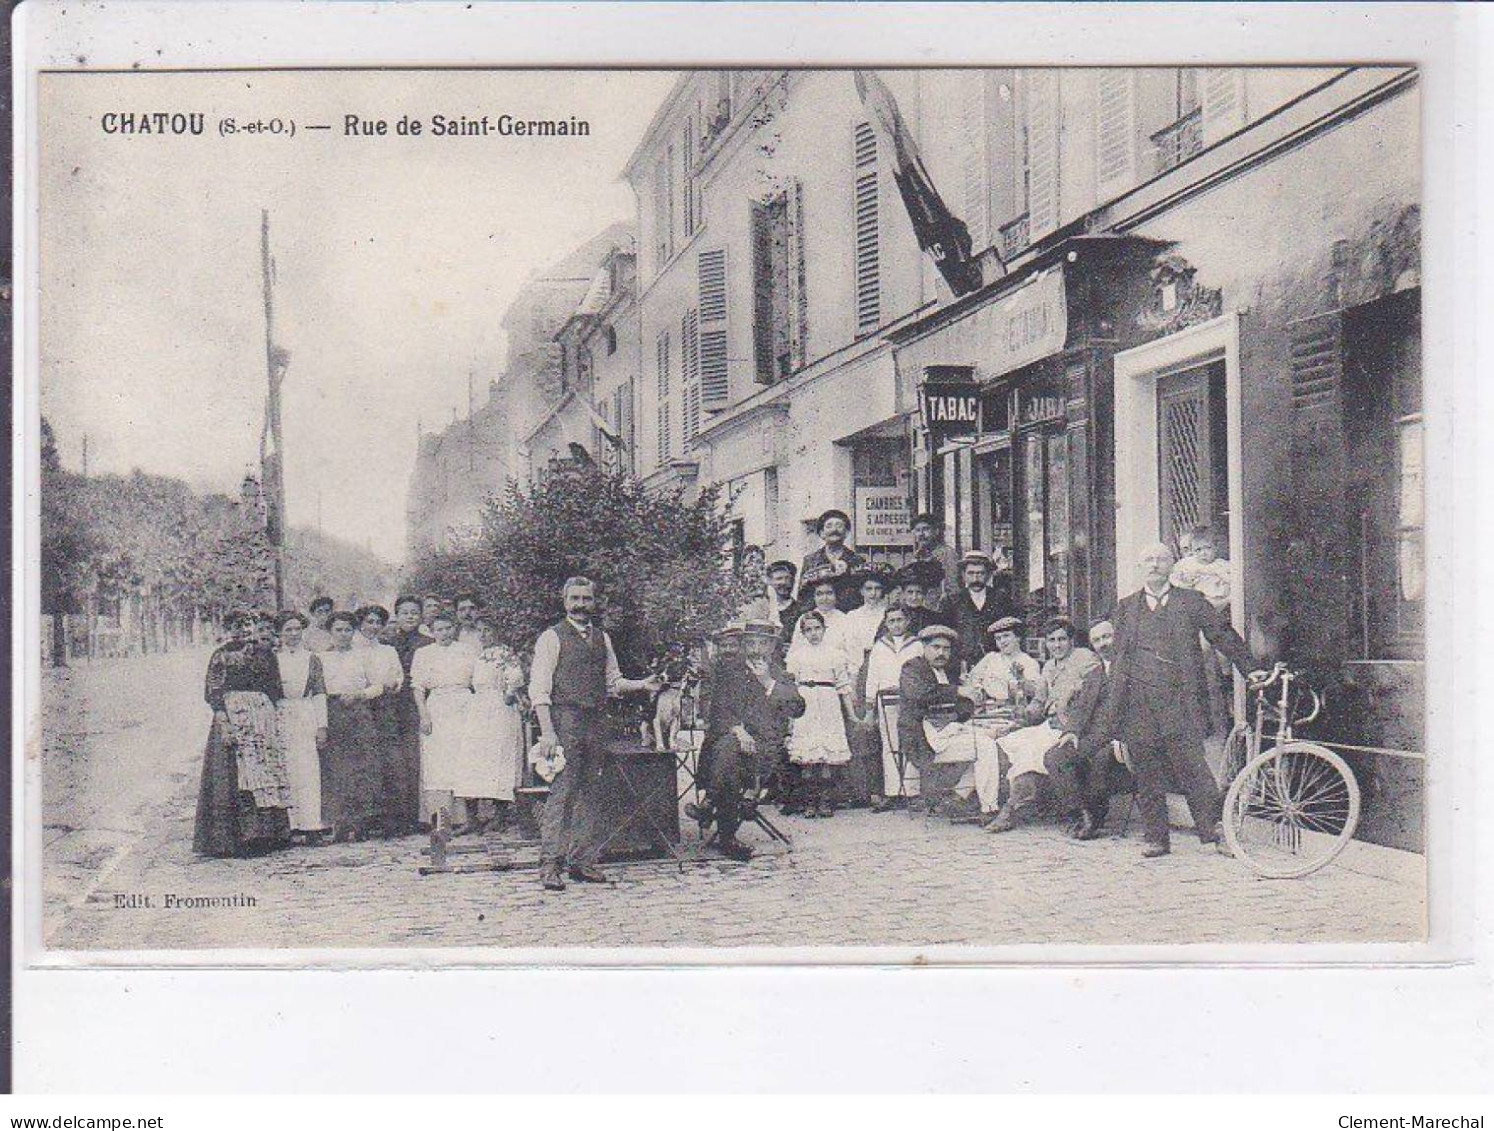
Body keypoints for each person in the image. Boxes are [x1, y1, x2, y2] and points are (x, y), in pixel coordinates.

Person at [1090, 542, 1262, 860]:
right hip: (1138, 704)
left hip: (1179, 701)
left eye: (1160, 559)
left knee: (1193, 769)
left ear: (1172, 565)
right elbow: (1119, 662)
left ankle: (1212, 833)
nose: (1154, 564)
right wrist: (1114, 714)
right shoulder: (1126, 607)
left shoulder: (1191, 601)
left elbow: (1222, 634)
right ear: (1140, 568)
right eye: (1148, 560)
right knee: (1146, 774)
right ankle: (1156, 838)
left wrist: (1250, 669)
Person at [527, 577, 662, 892]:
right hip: (565, 722)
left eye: (586, 598)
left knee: (590, 792)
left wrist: (642, 684)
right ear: (564, 602)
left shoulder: (603, 638)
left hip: (596, 723)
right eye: (574, 598)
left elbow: (613, 681)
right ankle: (550, 865)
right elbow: (539, 689)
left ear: (594, 602)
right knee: (561, 793)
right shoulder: (551, 638)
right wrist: (548, 733)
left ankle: (581, 862)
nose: (580, 604)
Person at [693, 621, 806, 861]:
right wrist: (737, 730)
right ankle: (728, 837)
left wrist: (767, 682)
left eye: (762, 643)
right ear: (744, 645)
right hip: (733, 738)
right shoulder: (730, 673)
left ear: (772, 646)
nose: (756, 649)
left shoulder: (780, 674)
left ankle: (711, 803)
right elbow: (719, 709)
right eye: (751, 643)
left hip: (765, 745)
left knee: (728, 753)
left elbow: (797, 708)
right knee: (729, 749)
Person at [982, 618, 1105, 834]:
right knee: (1003, 742)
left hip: (1070, 728)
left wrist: (1070, 695)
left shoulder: (1085, 658)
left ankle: (1011, 811)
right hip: (1048, 725)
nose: (1056, 645)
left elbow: (1092, 694)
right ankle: (1005, 803)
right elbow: (1039, 702)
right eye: (1051, 641)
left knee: (1031, 754)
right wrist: (1022, 717)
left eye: (1061, 640)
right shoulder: (1049, 666)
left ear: (1071, 641)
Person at [193, 610, 292, 857]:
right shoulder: (221, 655)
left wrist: (274, 719)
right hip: (233, 716)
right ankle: (235, 838)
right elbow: (213, 692)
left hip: (262, 718)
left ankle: (270, 835)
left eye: (248, 624)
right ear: (229, 629)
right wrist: (224, 723)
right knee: (235, 775)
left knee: (264, 771)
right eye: (237, 625)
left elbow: (275, 688)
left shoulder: (266, 653)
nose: (244, 630)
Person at [895, 624, 993, 816]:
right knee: (986, 746)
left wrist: (957, 713)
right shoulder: (912, 668)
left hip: (947, 733)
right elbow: (920, 693)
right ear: (924, 648)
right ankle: (985, 805)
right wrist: (958, 691)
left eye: (946, 648)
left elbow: (965, 705)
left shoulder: (950, 670)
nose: (941, 653)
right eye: (936, 647)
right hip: (921, 738)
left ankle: (962, 796)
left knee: (992, 740)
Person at [454, 613, 528, 830]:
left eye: (487, 630)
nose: (483, 634)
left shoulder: (504, 653)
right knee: (472, 759)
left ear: (497, 632)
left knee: (499, 759)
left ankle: (500, 817)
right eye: (480, 630)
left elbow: (515, 676)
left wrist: (509, 694)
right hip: (478, 710)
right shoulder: (480, 655)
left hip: (499, 710)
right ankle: (473, 818)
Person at [318, 610, 386, 842]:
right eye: (338, 630)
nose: (343, 634)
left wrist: (359, 694)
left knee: (362, 766)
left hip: (358, 712)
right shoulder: (320, 658)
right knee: (336, 767)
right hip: (332, 711)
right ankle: (339, 823)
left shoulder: (363, 656)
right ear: (330, 632)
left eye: (348, 630)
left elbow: (378, 686)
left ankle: (360, 823)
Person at [784, 610, 856, 818]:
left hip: (828, 703)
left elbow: (843, 687)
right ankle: (809, 802)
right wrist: (790, 718)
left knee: (826, 756)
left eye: (817, 628)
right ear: (803, 633)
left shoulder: (835, 654)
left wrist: (851, 715)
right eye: (808, 630)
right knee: (807, 757)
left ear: (824, 629)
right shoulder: (796, 657)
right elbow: (791, 687)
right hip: (805, 703)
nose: (814, 633)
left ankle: (825, 801)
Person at [410, 610, 477, 831]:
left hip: (464, 706)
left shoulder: (467, 650)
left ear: (455, 628)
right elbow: (418, 687)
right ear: (431, 632)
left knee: (463, 759)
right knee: (437, 763)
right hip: (437, 707)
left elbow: (478, 681)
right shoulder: (423, 653)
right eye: (439, 629)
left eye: (448, 628)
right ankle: (441, 819)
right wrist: (424, 715)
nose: (444, 633)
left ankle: (465, 819)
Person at [273, 611, 329, 841]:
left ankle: (310, 824)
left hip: (306, 713)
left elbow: (319, 693)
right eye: (288, 629)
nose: (294, 634)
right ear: (280, 633)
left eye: (297, 629)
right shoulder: (273, 658)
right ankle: (288, 825)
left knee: (308, 768)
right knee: (284, 766)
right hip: (281, 713)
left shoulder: (312, 658)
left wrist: (321, 726)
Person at [862, 604, 923, 810]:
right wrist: (870, 708)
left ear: (907, 621)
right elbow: (873, 677)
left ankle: (913, 793)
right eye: (891, 621)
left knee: (911, 742)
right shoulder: (880, 646)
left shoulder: (917, 645)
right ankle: (892, 791)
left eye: (899, 620)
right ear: (886, 623)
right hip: (885, 699)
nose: (896, 625)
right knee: (890, 745)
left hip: (910, 700)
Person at [380, 594, 432, 835]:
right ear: (396, 616)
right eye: (404, 612)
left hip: (419, 704)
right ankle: (397, 817)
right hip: (392, 706)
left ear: (420, 616)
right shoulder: (387, 643)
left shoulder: (428, 643)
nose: (409, 616)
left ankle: (419, 816)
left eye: (414, 612)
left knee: (416, 760)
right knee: (395, 762)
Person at [356, 605, 408, 837]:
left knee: (391, 761)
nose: (374, 627)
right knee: (367, 761)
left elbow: (398, 676)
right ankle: (367, 819)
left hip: (387, 708)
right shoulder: (353, 650)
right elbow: (356, 683)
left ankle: (392, 820)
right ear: (361, 624)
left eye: (378, 622)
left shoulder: (388, 650)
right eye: (369, 622)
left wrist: (393, 685)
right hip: (363, 708)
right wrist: (376, 688)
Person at [936, 550, 1012, 670]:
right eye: (971, 573)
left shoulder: (1000, 599)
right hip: (960, 665)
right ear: (963, 575)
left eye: (980, 573)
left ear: (988, 575)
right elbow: (943, 635)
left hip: (995, 664)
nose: (975, 578)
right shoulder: (951, 600)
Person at [798, 508, 865, 594]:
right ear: (822, 533)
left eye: (839, 526)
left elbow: (861, 594)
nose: (834, 530)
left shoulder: (857, 560)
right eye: (829, 526)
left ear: (846, 533)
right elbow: (803, 595)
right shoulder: (810, 561)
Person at [788, 569, 849, 659]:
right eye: (819, 594)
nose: (825, 598)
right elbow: (795, 650)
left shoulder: (845, 620)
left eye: (829, 593)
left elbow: (850, 651)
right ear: (813, 597)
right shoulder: (804, 619)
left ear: (836, 595)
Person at [909, 512, 960, 605]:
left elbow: (953, 588)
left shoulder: (947, 554)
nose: (921, 534)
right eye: (917, 530)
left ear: (936, 531)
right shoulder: (916, 556)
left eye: (926, 529)